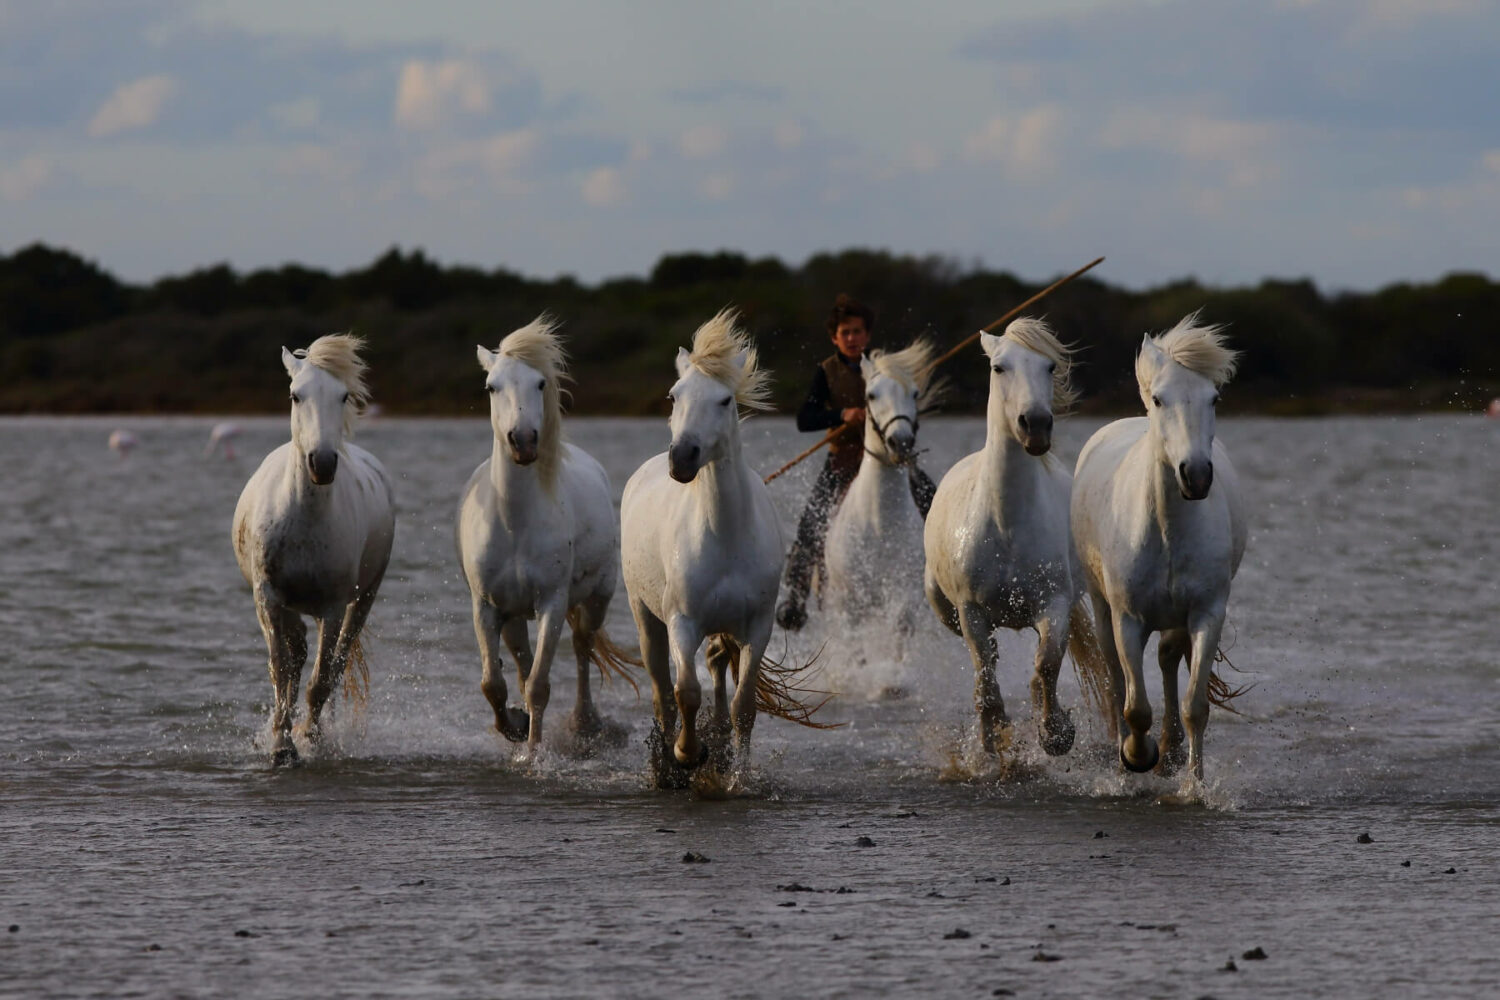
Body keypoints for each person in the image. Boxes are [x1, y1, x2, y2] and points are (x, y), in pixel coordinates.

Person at [775, 294, 936, 631]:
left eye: (858, 332)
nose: (852, 338)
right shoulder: (826, 372)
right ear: (835, 338)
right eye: (845, 333)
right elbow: (805, 418)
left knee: (935, 506)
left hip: (890, 459)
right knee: (810, 524)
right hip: (843, 459)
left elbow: (910, 414)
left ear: (868, 334)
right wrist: (841, 414)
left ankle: (948, 582)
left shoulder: (888, 372)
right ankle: (796, 596)